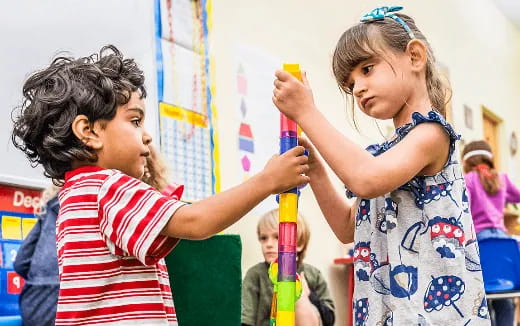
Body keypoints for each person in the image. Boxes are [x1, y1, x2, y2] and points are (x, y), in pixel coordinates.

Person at [11, 45, 309, 326]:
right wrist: (269, 180)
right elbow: (196, 222)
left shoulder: (74, 197)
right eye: (135, 121)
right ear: (88, 131)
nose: (146, 136)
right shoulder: (109, 187)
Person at [272, 6, 489, 325]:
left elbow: (366, 179)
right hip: (385, 312)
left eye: (367, 69)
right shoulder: (385, 153)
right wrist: (316, 172)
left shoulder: (431, 134)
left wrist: (307, 112)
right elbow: (350, 227)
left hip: (434, 316)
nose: (357, 87)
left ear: (415, 56)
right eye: (350, 84)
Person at [13, 144, 187, 326]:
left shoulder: (59, 202)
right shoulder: (124, 201)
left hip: (34, 303)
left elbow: (22, 262)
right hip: (77, 306)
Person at [241, 209, 335, 326]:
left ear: (299, 244)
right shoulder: (255, 275)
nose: (268, 244)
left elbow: (329, 319)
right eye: (264, 238)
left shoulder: (313, 274)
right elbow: (246, 320)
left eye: (277, 237)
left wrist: (308, 295)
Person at [463, 140, 520, 326]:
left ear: (466, 161)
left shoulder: (468, 179)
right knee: (504, 295)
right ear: (490, 160)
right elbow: (517, 196)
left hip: (480, 245)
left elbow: (464, 210)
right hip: (503, 245)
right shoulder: (501, 178)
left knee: (482, 299)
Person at [14, 186, 60, 326]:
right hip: (68, 301)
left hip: (34, 301)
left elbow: (21, 263)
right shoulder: (95, 204)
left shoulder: (49, 211)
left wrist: (41, 277)